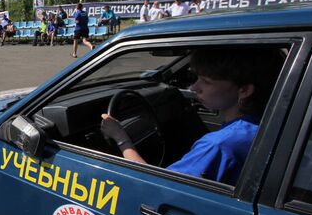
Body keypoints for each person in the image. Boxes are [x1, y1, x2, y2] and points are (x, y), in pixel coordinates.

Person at [100, 47, 285, 186]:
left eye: (206, 81)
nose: (194, 88)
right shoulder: (261, 123)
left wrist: (121, 138)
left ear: (244, 90)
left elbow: (156, 186)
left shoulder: (219, 145)